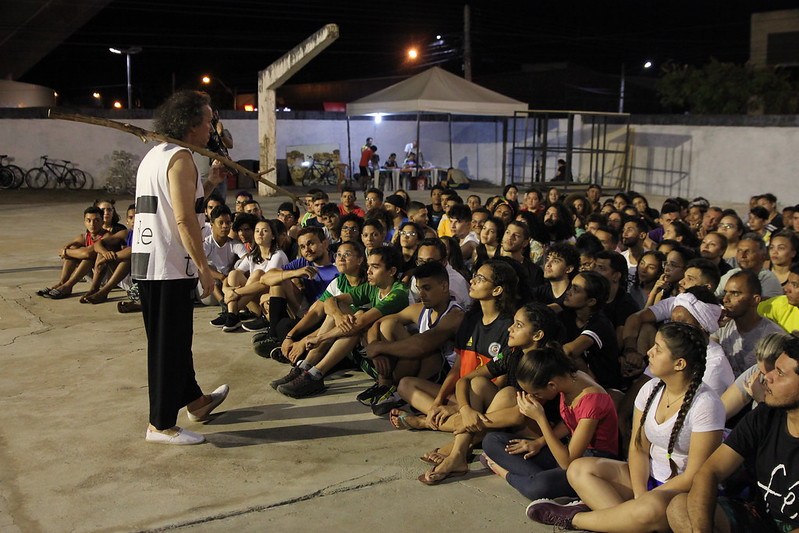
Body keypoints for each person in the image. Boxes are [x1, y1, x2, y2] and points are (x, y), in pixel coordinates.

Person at [527, 323, 725, 532]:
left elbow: (695, 475)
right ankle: (624, 520)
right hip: (646, 479)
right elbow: (638, 448)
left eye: (658, 349)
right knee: (578, 469)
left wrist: (648, 498)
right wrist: (640, 494)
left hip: (681, 492)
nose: (649, 352)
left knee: (650, 507)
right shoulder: (650, 389)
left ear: (679, 364)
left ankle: (575, 518)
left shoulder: (706, 405)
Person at [131, 90, 229, 445]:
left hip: (149, 262)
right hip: (168, 266)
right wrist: (204, 267)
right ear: (191, 124)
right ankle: (160, 425)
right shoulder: (183, 158)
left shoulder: (157, 154)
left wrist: (213, 181)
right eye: (207, 121)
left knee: (173, 341)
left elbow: (183, 201)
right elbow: (185, 218)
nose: (210, 128)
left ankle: (196, 401)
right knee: (168, 346)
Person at [416, 304, 563, 485]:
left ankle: (458, 449)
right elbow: (464, 381)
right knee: (478, 383)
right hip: (503, 419)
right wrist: (465, 410)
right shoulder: (513, 353)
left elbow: (519, 414)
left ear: (537, 335)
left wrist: (471, 423)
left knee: (509, 393)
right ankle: (459, 454)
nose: (510, 328)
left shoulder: (544, 363)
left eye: (518, 325)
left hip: (538, 429)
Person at [666, 335, 799, 533]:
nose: (768, 377)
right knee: (679, 507)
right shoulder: (765, 415)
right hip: (758, 519)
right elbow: (709, 472)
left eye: (780, 373)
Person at [482, 344, 619, 501]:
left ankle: (505, 472)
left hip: (592, 464)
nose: (534, 396)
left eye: (536, 393)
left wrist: (540, 418)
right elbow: (570, 422)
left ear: (551, 385)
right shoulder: (567, 379)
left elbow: (568, 463)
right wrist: (539, 442)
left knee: (539, 486)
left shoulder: (592, 400)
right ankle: (544, 481)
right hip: (569, 452)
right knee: (492, 441)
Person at [274, 246, 408, 398]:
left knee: (357, 317)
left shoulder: (398, 293)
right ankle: (306, 368)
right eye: (369, 265)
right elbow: (331, 301)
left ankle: (315, 375)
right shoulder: (372, 287)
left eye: (375, 267)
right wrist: (338, 316)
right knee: (341, 312)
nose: (369, 271)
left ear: (392, 271)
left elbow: (361, 322)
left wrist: (320, 338)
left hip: (388, 363)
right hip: (369, 350)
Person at [362, 261, 465, 415]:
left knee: (427, 351)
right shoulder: (420, 309)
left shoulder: (455, 315)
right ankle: (386, 386)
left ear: (444, 287)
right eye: (419, 288)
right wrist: (376, 350)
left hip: (450, 378)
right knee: (389, 325)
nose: (421, 294)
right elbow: (377, 323)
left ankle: (396, 391)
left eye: (427, 288)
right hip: (425, 373)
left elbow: (421, 346)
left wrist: (378, 348)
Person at [214, 219, 288, 332]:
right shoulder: (253, 255)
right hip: (252, 300)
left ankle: (232, 313)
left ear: (273, 236)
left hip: (269, 301)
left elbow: (266, 283)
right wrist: (226, 289)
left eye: (264, 231)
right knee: (234, 274)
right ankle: (232, 314)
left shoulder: (277, 255)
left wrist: (235, 293)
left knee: (258, 274)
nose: (260, 234)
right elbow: (232, 275)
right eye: (257, 231)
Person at [712, 270, 785, 377]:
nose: (725, 299)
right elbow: (709, 360)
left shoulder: (773, 337)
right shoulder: (721, 325)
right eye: (725, 293)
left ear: (755, 300)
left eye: (735, 293)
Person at [37, 206, 107, 299]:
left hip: (104, 277)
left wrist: (66, 252)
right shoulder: (84, 236)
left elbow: (87, 253)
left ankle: (68, 285)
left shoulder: (107, 236)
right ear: (84, 222)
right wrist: (67, 251)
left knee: (88, 258)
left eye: (96, 220)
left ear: (103, 222)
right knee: (74, 248)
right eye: (88, 220)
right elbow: (63, 250)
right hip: (92, 275)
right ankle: (62, 283)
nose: (92, 224)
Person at [721, 332, 788, 420]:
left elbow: (776, 429)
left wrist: (761, 400)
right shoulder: (757, 373)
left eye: (773, 372)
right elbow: (720, 411)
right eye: (763, 373)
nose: (765, 377)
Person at [81, 203, 136, 304]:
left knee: (126, 260)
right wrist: (105, 253)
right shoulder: (127, 233)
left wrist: (109, 257)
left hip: (138, 280)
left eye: (137, 217)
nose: (134, 220)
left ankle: (104, 292)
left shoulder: (148, 234)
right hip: (122, 278)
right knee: (105, 248)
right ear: (127, 220)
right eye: (131, 217)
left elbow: (134, 250)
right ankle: (94, 289)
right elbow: (99, 244)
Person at [715, 233, 783, 300]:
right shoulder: (733, 273)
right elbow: (714, 294)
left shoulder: (768, 278)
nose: (742, 256)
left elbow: (767, 306)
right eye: (739, 251)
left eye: (748, 252)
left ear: (763, 256)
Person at [758, 262, 799, 333]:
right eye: (788, 282)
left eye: (795, 285)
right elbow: (749, 311)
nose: (786, 289)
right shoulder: (781, 303)